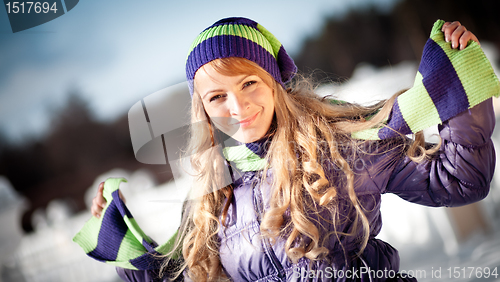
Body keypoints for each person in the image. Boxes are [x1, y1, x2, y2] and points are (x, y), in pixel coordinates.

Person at [88, 17, 496, 281]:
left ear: (273, 84)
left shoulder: (340, 145)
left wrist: (461, 93)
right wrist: (119, 239)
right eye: (217, 97)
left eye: (249, 83)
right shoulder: (212, 192)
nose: (238, 107)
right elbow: (176, 274)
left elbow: (460, 182)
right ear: (204, 110)